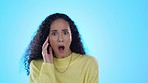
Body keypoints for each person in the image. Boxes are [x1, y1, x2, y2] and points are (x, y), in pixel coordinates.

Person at [23, 13, 98, 83]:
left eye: (65, 33)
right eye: (54, 33)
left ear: (72, 36)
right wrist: (48, 64)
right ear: (47, 38)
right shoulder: (36, 65)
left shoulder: (89, 63)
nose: (60, 39)